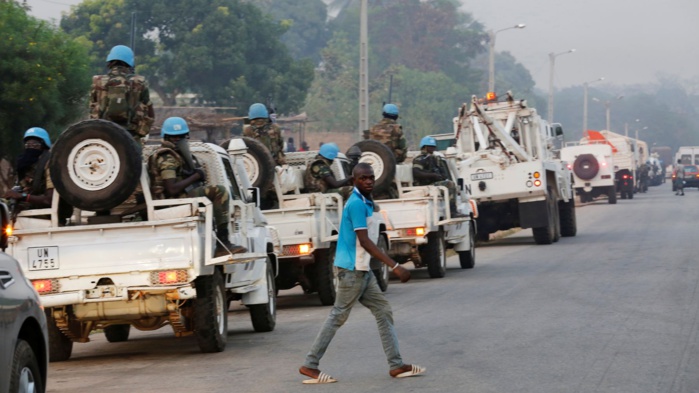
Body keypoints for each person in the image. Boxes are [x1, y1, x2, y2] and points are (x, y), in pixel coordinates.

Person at [299, 162, 425, 384]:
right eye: (363, 178)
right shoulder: (356, 203)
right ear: (354, 180)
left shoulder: (366, 201)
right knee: (338, 316)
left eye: (371, 177)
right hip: (351, 271)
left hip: (361, 270)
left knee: (383, 311)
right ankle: (310, 365)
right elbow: (365, 241)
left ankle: (396, 365)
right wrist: (395, 266)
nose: (368, 181)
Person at [149, 117, 247, 256]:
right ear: (166, 137)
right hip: (173, 200)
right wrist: (195, 176)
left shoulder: (178, 155)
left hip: (181, 196)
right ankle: (223, 243)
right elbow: (172, 189)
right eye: (173, 137)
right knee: (220, 191)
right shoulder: (167, 157)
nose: (177, 140)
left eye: (180, 137)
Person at [89, 45, 154, 144]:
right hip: (131, 135)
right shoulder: (140, 82)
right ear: (129, 62)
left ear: (110, 61)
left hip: (103, 134)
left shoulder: (97, 81)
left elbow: (92, 107)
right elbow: (149, 112)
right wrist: (141, 133)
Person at [412, 136, 467, 218]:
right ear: (424, 147)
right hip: (425, 184)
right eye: (430, 147)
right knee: (450, 184)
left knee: (449, 183)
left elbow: (442, 172)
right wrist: (432, 175)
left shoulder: (435, 159)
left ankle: (453, 209)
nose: (432, 149)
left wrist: (441, 175)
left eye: (433, 147)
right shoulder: (420, 159)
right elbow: (416, 172)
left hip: (433, 183)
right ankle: (452, 212)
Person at [4, 128, 55, 210]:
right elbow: (23, 188)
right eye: (28, 145)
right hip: (31, 206)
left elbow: (49, 200)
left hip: (49, 209)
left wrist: (22, 196)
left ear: (43, 146)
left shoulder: (49, 164)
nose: (31, 148)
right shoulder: (26, 166)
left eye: (35, 145)